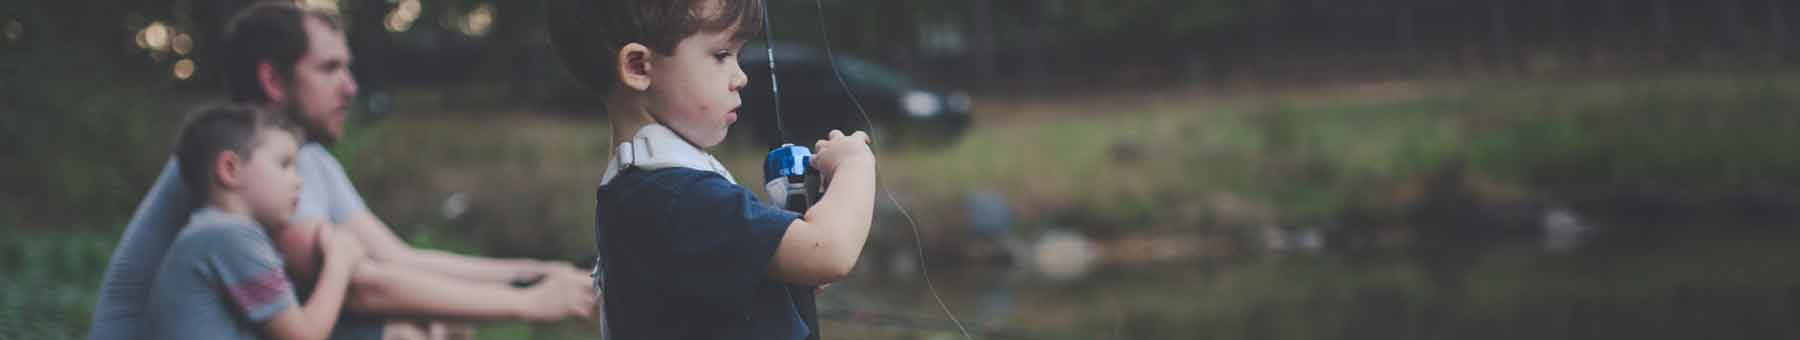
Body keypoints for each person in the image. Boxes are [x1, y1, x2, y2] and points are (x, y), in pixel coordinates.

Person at [90, 3, 594, 340]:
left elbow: (397, 257)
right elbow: (364, 285)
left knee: (410, 321)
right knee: (398, 330)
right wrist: (530, 305)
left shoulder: (302, 159)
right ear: (272, 78)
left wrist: (530, 273)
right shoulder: (251, 171)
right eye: (330, 69)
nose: (351, 88)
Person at [546, 0, 877, 338]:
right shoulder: (677, 197)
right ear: (638, 66)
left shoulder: (641, 188)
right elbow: (829, 251)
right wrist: (855, 163)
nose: (741, 76)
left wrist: (784, 271)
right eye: (721, 55)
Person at [148, 103, 364, 340]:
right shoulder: (230, 235)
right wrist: (339, 260)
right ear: (230, 169)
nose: (299, 181)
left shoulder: (210, 233)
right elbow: (303, 337)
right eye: (285, 164)